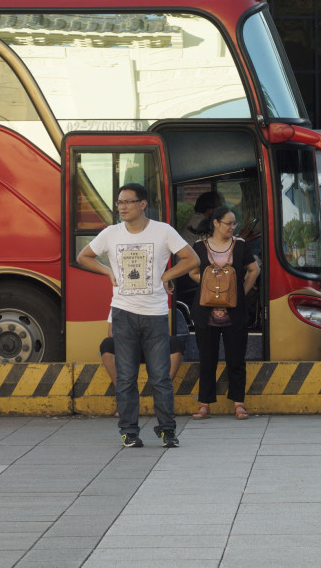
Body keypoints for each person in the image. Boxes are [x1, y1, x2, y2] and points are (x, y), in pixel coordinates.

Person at [77, 182, 199, 448]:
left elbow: (191, 259)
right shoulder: (110, 233)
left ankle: (167, 430)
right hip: (123, 313)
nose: (122, 207)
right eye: (119, 203)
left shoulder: (163, 231)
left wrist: (167, 274)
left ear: (142, 204)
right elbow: (83, 256)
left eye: (127, 202)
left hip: (155, 313)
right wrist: (107, 272)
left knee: (160, 377)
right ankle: (129, 432)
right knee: (126, 377)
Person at [188, 206, 260, 420]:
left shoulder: (240, 246)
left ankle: (239, 403)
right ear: (216, 223)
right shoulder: (199, 247)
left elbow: (253, 270)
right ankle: (204, 404)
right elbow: (191, 271)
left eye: (234, 223)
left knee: (236, 359)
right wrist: (212, 288)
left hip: (234, 313)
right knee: (206, 358)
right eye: (228, 223)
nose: (233, 227)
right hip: (205, 313)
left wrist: (239, 292)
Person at [100, 308, 189, 417]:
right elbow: (111, 333)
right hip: (128, 348)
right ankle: (123, 399)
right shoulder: (120, 303)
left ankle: (162, 399)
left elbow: (163, 332)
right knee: (107, 344)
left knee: (176, 343)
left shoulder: (152, 302)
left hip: (152, 348)